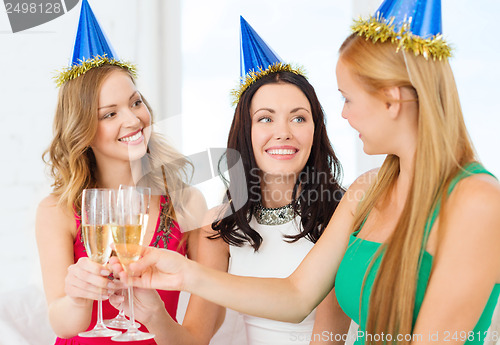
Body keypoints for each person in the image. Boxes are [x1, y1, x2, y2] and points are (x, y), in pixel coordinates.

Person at [115, 1, 500, 345]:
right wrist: (183, 274)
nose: (344, 115)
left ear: (392, 100)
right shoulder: (370, 188)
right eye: (265, 118)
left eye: (347, 98)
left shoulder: (479, 203)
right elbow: (297, 296)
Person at [109, 16, 351, 345]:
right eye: (265, 118)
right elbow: (193, 339)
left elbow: (328, 338)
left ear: (315, 130)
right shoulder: (219, 227)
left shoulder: (343, 213)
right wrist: (153, 314)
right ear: (245, 132)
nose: (284, 132)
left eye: (299, 117)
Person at [36, 1, 204, 344]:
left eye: (136, 102)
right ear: (82, 129)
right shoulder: (56, 210)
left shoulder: (186, 202)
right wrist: (79, 296)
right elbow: (62, 323)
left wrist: (155, 316)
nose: (133, 120)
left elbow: (196, 339)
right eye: (109, 114)